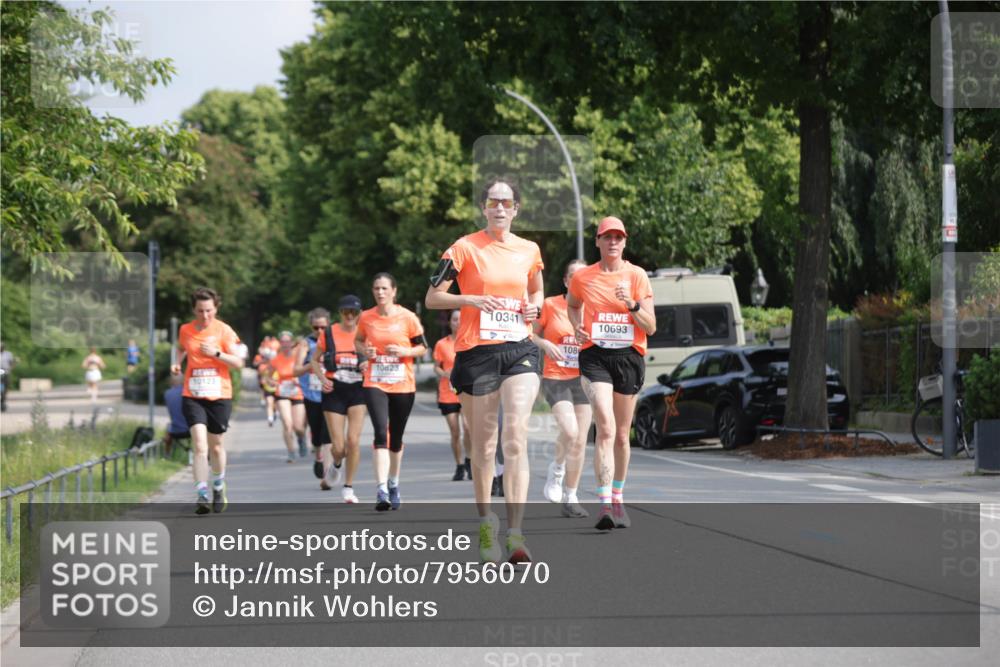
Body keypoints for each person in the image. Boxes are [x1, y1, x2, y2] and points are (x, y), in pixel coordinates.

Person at [425, 178, 544, 564]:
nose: (498, 208)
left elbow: (536, 291)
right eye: (492, 202)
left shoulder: (529, 250)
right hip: (477, 352)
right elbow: (432, 297)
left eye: (505, 202)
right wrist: (470, 298)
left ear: (515, 209)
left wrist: (534, 308)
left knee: (515, 436)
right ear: (484, 208)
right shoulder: (463, 247)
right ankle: (485, 524)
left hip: (519, 349)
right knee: (485, 445)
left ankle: (516, 534)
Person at [567, 216, 655, 531]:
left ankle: (617, 498)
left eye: (618, 237)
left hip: (629, 357)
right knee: (604, 426)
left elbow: (651, 326)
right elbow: (573, 303)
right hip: (595, 356)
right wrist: (576, 326)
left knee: (620, 433)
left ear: (624, 242)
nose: (613, 242)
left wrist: (631, 304)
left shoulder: (637, 276)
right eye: (607, 237)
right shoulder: (583, 278)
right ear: (598, 242)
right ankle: (604, 503)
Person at [170, 287, 244, 515]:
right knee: (200, 446)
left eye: (209, 310)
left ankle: (218, 485)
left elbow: (239, 362)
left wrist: (216, 353)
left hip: (219, 394)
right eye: (200, 311)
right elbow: (181, 348)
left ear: (216, 308)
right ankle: (202, 493)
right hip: (193, 395)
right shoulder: (186, 330)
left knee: (216, 446)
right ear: (194, 309)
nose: (205, 316)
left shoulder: (224, 330)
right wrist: (176, 362)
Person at [356, 274, 426, 512]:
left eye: (385, 288)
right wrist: (365, 350)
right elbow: (358, 341)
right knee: (379, 433)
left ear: (394, 291)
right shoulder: (366, 317)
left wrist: (403, 350)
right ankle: (381, 488)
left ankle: (394, 482)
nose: (380, 292)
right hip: (375, 382)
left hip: (402, 384)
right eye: (376, 288)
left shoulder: (407, 317)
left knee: (395, 439)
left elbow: (422, 347)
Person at [532, 259, 592, 518]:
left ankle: (571, 495)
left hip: (584, 377)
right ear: (567, 281)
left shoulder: (594, 308)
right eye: (573, 277)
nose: (578, 281)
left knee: (579, 440)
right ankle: (556, 471)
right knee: (569, 431)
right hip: (556, 375)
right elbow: (529, 334)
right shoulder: (549, 304)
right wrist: (545, 345)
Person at [312, 295, 369, 504]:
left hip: (357, 390)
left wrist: (367, 364)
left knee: (353, 440)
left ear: (359, 313)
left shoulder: (365, 332)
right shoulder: (329, 332)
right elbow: (314, 360)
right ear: (340, 313)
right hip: (334, 390)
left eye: (354, 312)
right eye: (346, 312)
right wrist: (321, 379)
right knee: (338, 447)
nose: (350, 316)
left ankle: (348, 487)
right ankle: (336, 463)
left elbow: (374, 356)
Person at [295, 308, 336, 489]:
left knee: (328, 436)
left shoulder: (334, 340)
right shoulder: (305, 344)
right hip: (311, 395)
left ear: (328, 325)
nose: (319, 331)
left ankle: (326, 476)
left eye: (323, 327)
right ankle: (318, 455)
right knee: (317, 435)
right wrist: (311, 365)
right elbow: (295, 370)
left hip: (330, 393)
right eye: (315, 327)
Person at [434, 309, 472, 481]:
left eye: (461, 319)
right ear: (450, 322)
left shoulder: (470, 341)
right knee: (455, 431)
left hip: (466, 390)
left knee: (468, 428)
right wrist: (444, 373)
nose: (458, 322)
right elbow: (437, 366)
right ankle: (459, 465)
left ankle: (470, 460)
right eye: (455, 319)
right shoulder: (442, 344)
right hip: (447, 393)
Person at [271, 331, 308, 463]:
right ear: (280, 344)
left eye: (288, 341)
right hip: (282, 393)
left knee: (298, 426)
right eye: (283, 341)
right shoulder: (276, 359)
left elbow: (307, 371)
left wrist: (299, 380)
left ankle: (301, 438)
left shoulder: (298, 357)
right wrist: (272, 381)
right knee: (287, 424)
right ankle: (291, 452)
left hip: (297, 392)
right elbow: (267, 376)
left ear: (292, 343)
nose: (285, 344)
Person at [163, 374, 191, 459]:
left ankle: (167, 455)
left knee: (168, 426)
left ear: (171, 382)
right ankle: (203, 454)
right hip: (190, 429)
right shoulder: (188, 392)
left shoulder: (167, 394)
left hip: (175, 430)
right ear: (183, 381)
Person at [0, 342, 16, 413]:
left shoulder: (8, 354)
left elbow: (12, 363)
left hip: (5, 372)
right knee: (1, 388)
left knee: (6, 387)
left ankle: (3, 400)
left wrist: (11, 367)